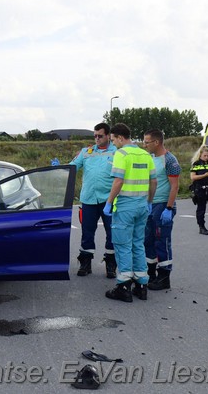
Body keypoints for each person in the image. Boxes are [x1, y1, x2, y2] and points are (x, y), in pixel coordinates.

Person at [103, 123, 156, 302]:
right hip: (142, 206)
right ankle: (141, 285)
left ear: (120, 137)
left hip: (125, 206)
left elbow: (118, 181)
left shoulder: (121, 154)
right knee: (138, 243)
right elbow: (153, 181)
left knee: (122, 245)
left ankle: (123, 286)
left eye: (113, 140)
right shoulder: (145, 153)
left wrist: (109, 202)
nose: (113, 144)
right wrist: (149, 201)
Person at [69, 123, 117, 278]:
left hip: (108, 199)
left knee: (112, 233)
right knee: (87, 233)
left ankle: (110, 264)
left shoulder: (117, 152)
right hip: (89, 199)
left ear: (108, 136)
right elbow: (73, 167)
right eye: (95, 135)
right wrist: (61, 168)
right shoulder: (86, 152)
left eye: (100, 136)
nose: (97, 138)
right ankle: (85, 263)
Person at [143, 129, 181, 291]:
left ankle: (164, 277)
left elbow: (175, 186)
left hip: (163, 205)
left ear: (156, 142)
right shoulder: (150, 158)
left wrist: (169, 208)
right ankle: (151, 273)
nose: (144, 145)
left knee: (162, 241)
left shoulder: (170, 160)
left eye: (147, 142)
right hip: (150, 204)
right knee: (148, 240)